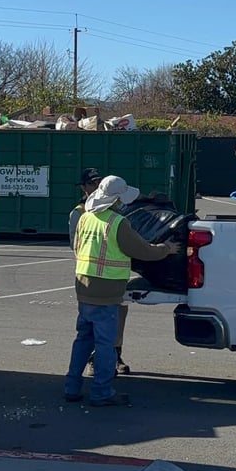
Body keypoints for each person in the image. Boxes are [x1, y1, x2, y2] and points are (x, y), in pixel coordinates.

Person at [64, 174, 180, 407]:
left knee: (83, 340)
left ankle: (71, 387)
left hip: (84, 287)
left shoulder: (85, 217)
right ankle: (101, 392)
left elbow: (76, 246)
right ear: (116, 200)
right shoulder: (117, 223)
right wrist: (165, 249)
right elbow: (142, 250)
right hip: (107, 291)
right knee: (105, 344)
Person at [69, 167, 130, 375]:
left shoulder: (114, 214)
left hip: (94, 282)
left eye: (98, 182)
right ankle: (101, 384)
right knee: (103, 337)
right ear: (84, 187)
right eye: (92, 183)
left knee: (92, 334)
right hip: (103, 282)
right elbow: (76, 246)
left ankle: (76, 383)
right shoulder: (80, 214)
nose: (95, 186)